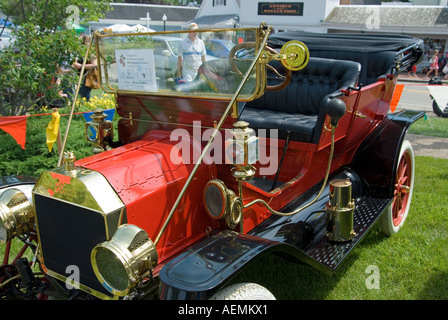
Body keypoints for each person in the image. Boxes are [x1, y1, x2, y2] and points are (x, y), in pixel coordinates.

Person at [72, 34, 97, 101]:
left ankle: (86, 109)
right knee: (79, 96)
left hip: (87, 77)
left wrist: (81, 66)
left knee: (84, 96)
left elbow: (94, 65)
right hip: (78, 76)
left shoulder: (91, 52)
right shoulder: (79, 52)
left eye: (87, 41)